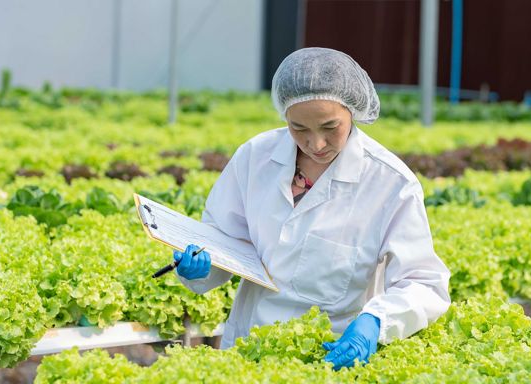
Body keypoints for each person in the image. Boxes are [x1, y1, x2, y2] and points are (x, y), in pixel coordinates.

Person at [173, 47, 451, 370]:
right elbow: (224, 239)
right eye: (299, 128)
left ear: (353, 111)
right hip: (245, 355)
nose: (316, 144)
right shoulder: (255, 158)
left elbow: (425, 282)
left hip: (328, 360)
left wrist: (377, 321)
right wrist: (202, 266)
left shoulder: (390, 184)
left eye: (330, 127)